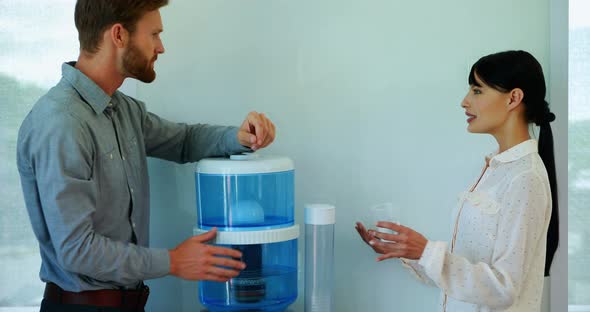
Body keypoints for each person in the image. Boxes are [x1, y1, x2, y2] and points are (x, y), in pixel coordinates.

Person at [16, 1, 276, 311]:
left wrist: (239, 136)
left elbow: (183, 140)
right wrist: (174, 261)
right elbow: (77, 249)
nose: (161, 47)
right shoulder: (62, 123)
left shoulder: (124, 111)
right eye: (153, 34)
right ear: (119, 35)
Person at [355, 50, 559, 311]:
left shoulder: (525, 177)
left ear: (513, 98)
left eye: (477, 90)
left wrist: (427, 251)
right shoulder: (493, 168)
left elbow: (505, 288)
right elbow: (463, 273)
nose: (464, 102)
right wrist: (406, 252)